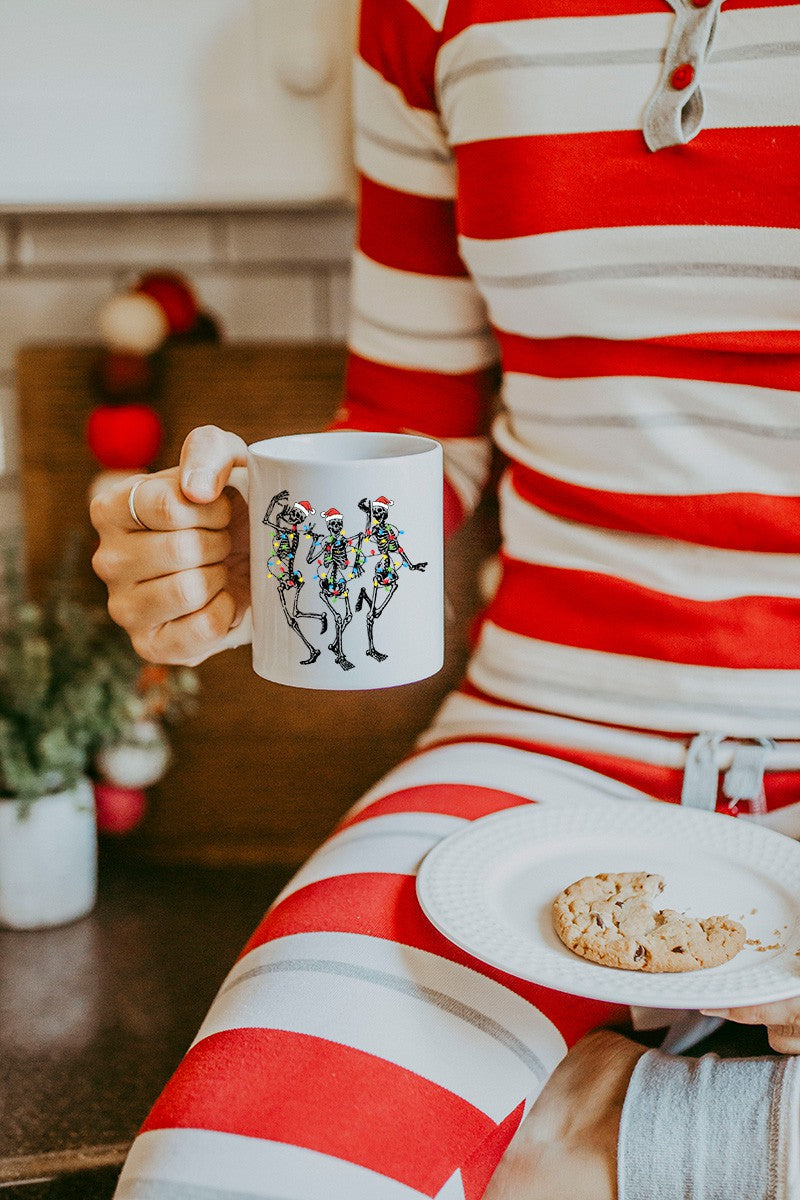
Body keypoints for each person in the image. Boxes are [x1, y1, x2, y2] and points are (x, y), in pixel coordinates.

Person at [90, 0, 800, 1196]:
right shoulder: (420, 11)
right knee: (215, 1176)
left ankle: (595, 1128)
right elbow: (416, 426)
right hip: (539, 742)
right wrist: (258, 554)